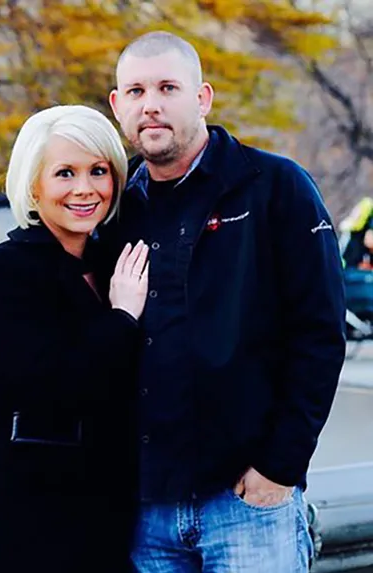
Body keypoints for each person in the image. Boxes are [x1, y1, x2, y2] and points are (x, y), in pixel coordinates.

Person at [97, 31, 347, 572]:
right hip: (145, 511)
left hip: (248, 505)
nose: (152, 104)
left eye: (168, 87)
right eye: (136, 91)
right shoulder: (113, 213)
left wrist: (279, 467)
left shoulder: (276, 187)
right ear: (118, 106)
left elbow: (320, 335)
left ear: (203, 98)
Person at [0, 104, 150, 573]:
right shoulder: (8, 269)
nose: (85, 189)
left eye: (99, 171)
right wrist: (123, 316)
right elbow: (45, 387)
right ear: (33, 184)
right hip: (29, 507)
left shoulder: (114, 262)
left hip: (110, 504)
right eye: (64, 173)